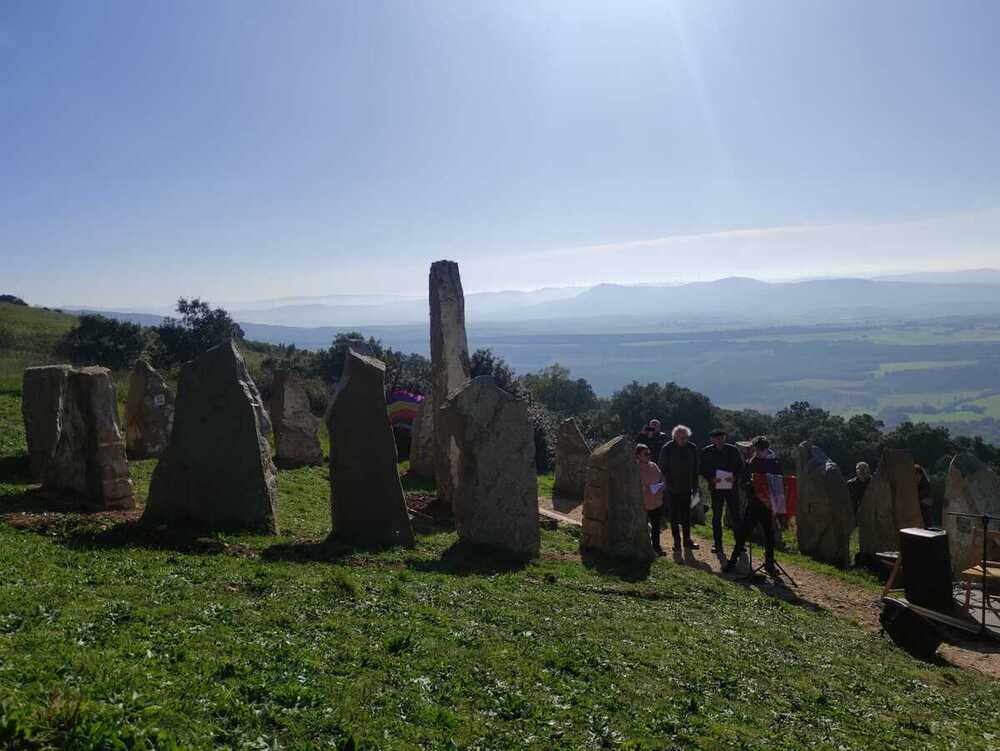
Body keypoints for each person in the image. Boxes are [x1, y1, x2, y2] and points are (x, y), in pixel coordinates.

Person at [723, 436, 779, 574]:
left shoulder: (775, 463)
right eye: (758, 449)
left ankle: (769, 564)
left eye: (762, 450)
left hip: (768, 505)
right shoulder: (750, 462)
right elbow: (742, 481)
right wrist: (749, 486)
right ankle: (732, 562)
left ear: (767, 448)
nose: (760, 452)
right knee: (743, 534)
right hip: (754, 504)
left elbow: (780, 484)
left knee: (769, 536)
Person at [700, 428, 744, 555]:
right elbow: (702, 468)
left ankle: (739, 544)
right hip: (716, 488)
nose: (719, 440)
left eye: (722, 437)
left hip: (731, 487)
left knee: (736, 515)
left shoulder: (733, 450)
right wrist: (710, 478)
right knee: (717, 516)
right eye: (717, 438)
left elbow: (740, 466)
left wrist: (735, 476)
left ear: (725, 438)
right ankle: (717, 544)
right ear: (712, 439)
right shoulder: (706, 451)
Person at [657, 424, 700, 551]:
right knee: (674, 516)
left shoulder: (692, 448)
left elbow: (696, 468)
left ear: (688, 436)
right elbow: (661, 469)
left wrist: (695, 486)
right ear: (674, 436)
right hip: (672, 489)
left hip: (687, 488)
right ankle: (676, 542)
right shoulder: (667, 448)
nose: (682, 438)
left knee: (686, 515)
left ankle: (687, 540)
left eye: (685, 436)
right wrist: (666, 484)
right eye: (679, 436)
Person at [636, 444, 666, 555]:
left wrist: (663, 485)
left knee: (656, 527)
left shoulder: (653, 465)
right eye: (645, 454)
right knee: (641, 526)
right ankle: (642, 547)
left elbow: (662, 477)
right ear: (638, 455)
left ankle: (656, 547)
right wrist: (647, 488)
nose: (648, 455)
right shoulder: (635, 468)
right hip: (643, 503)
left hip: (657, 502)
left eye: (649, 453)